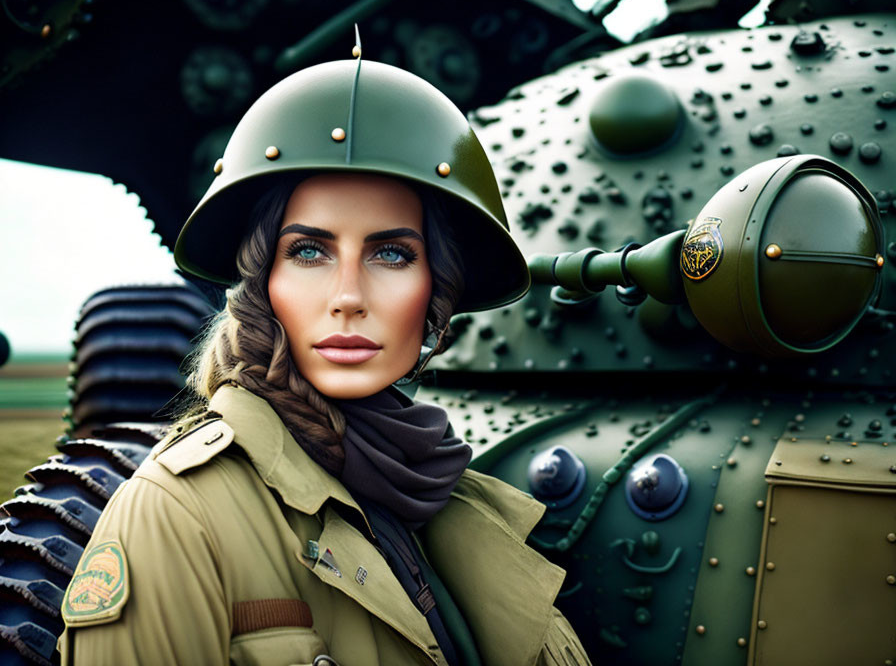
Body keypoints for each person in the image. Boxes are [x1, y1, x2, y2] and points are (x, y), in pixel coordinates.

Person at [57, 46, 591, 666]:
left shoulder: (445, 489)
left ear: (436, 294)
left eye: (391, 254)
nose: (347, 297)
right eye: (309, 252)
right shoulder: (178, 513)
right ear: (263, 286)